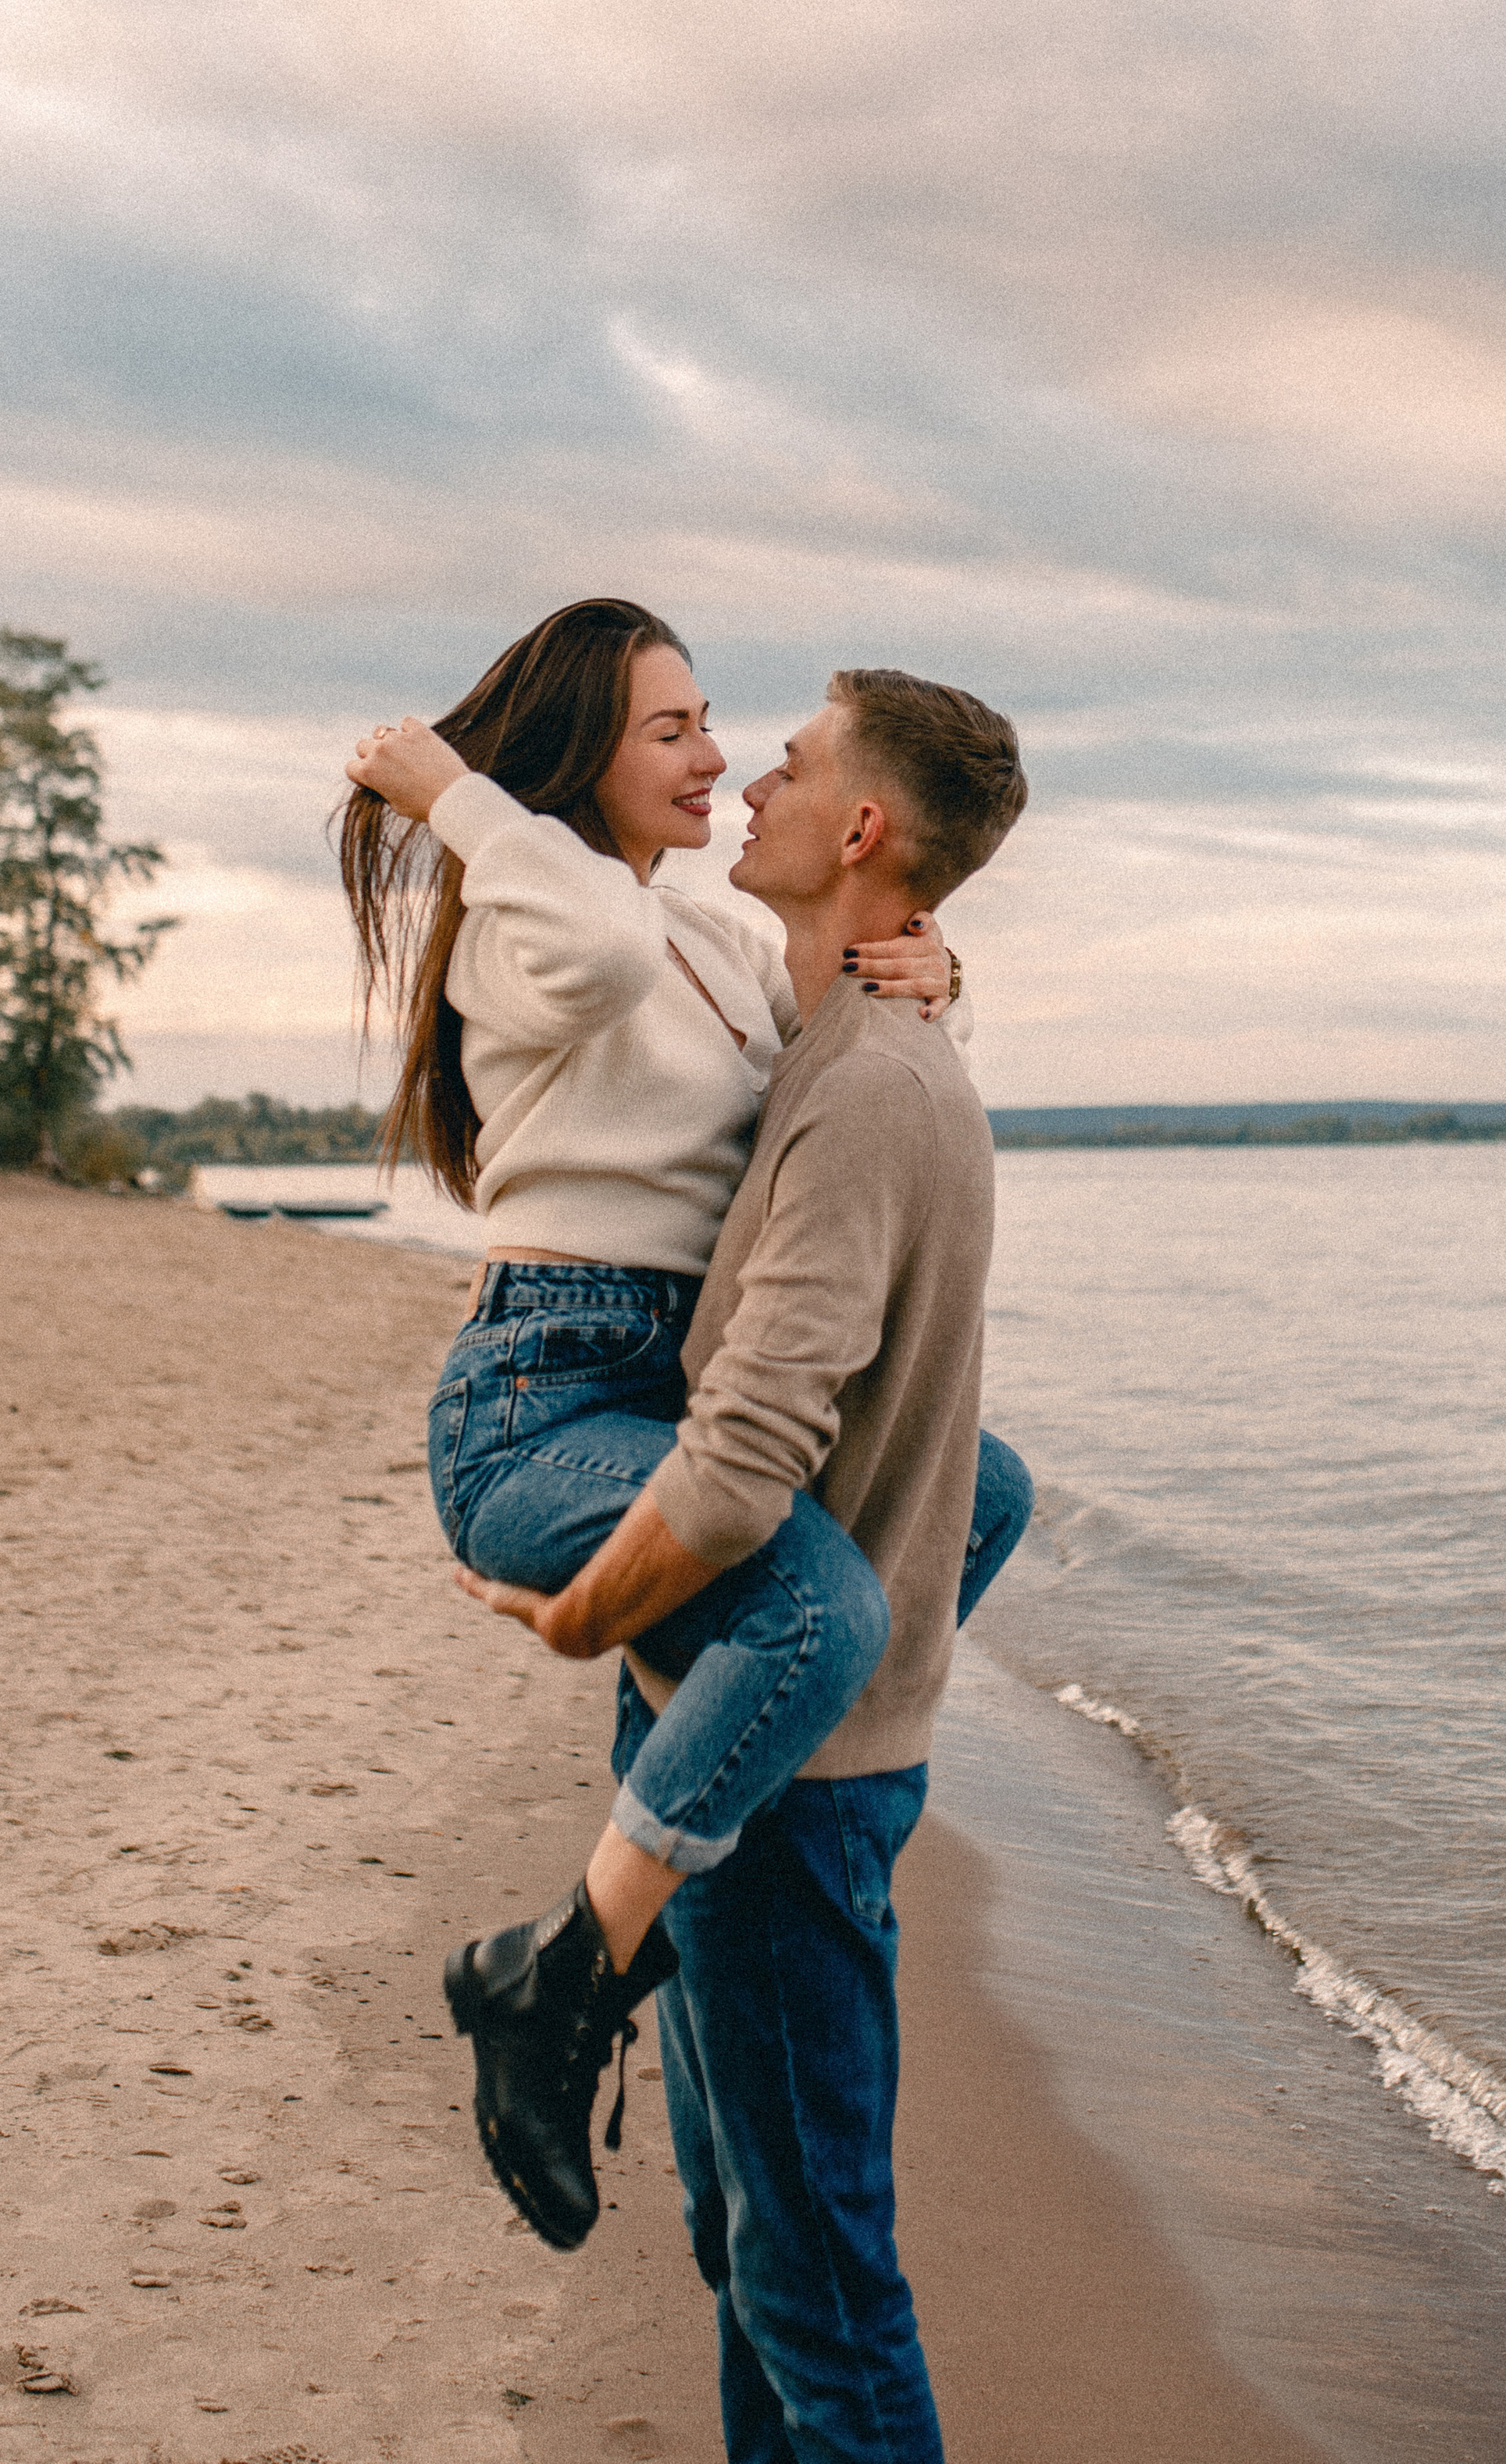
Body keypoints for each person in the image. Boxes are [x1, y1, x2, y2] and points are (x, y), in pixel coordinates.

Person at [338, 603, 1031, 2250]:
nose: (717, 759)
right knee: (816, 1602)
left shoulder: (707, 937)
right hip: (546, 1397)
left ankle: (720, 1788)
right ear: (583, 759)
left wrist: (940, 961)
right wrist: (456, 800)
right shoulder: (536, 920)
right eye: (673, 729)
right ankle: (565, 1977)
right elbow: (592, 951)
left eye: (720, 723)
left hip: (674, 1389)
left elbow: (843, 1071)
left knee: (979, 1493)